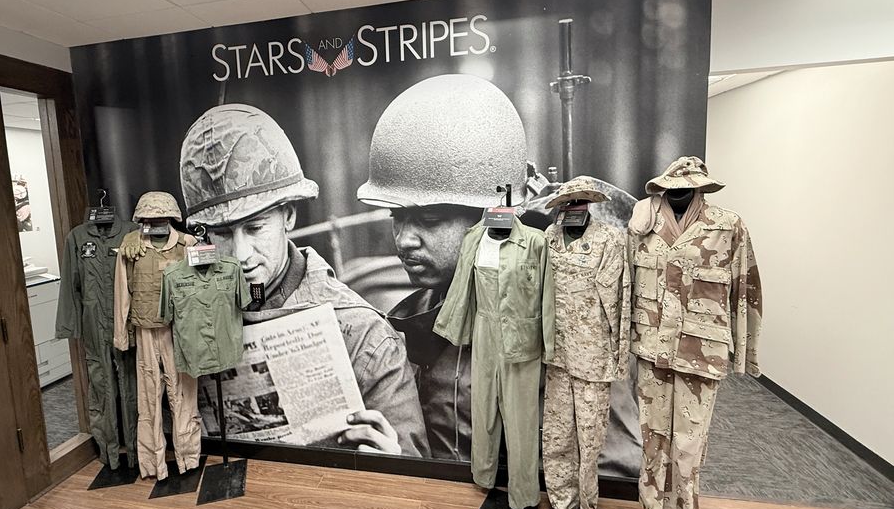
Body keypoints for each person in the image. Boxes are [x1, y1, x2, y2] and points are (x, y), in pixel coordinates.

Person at [358, 73, 642, 477]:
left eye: (430, 218)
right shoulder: (432, 301)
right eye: (396, 217)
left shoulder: (565, 319)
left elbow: (613, 477)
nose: (405, 240)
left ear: (494, 215)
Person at [179, 104, 428, 457]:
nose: (241, 254)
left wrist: (394, 459)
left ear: (289, 216)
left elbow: (416, 477)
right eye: (221, 233)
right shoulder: (190, 316)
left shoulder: (363, 336)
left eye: (254, 228)